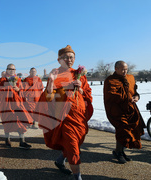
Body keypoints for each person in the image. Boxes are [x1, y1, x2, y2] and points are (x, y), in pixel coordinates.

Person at [36, 45, 93, 180]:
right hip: (64, 117)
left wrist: (80, 90)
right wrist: (51, 82)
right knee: (73, 147)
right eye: (66, 57)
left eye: (71, 57)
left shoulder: (79, 75)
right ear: (59, 59)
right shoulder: (56, 75)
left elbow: (88, 95)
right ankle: (77, 177)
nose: (69, 60)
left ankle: (60, 160)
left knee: (76, 143)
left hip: (79, 116)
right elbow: (48, 98)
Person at [103, 60, 146, 164]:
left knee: (130, 130)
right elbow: (111, 95)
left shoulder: (130, 78)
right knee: (122, 129)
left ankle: (121, 151)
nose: (124, 71)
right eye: (122, 69)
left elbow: (134, 91)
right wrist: (127, 99)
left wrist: (136, 96)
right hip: (117, 110)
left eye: (126, 69)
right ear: (116, 69)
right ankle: (118, 152)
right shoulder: (110, 80)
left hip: (130, 109)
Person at [0, 64, 33, 149]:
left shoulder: (18, 80)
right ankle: (7, 140)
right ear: (6, 70)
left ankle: (22, 141)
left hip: (18, 104)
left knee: (20, 122)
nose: (12, 70)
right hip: (7, 104)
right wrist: (8, 88)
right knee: (7, 122)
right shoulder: (2, 80)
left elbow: (22, 91)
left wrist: (18, 90)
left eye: (13, 69)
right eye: (10, 69)